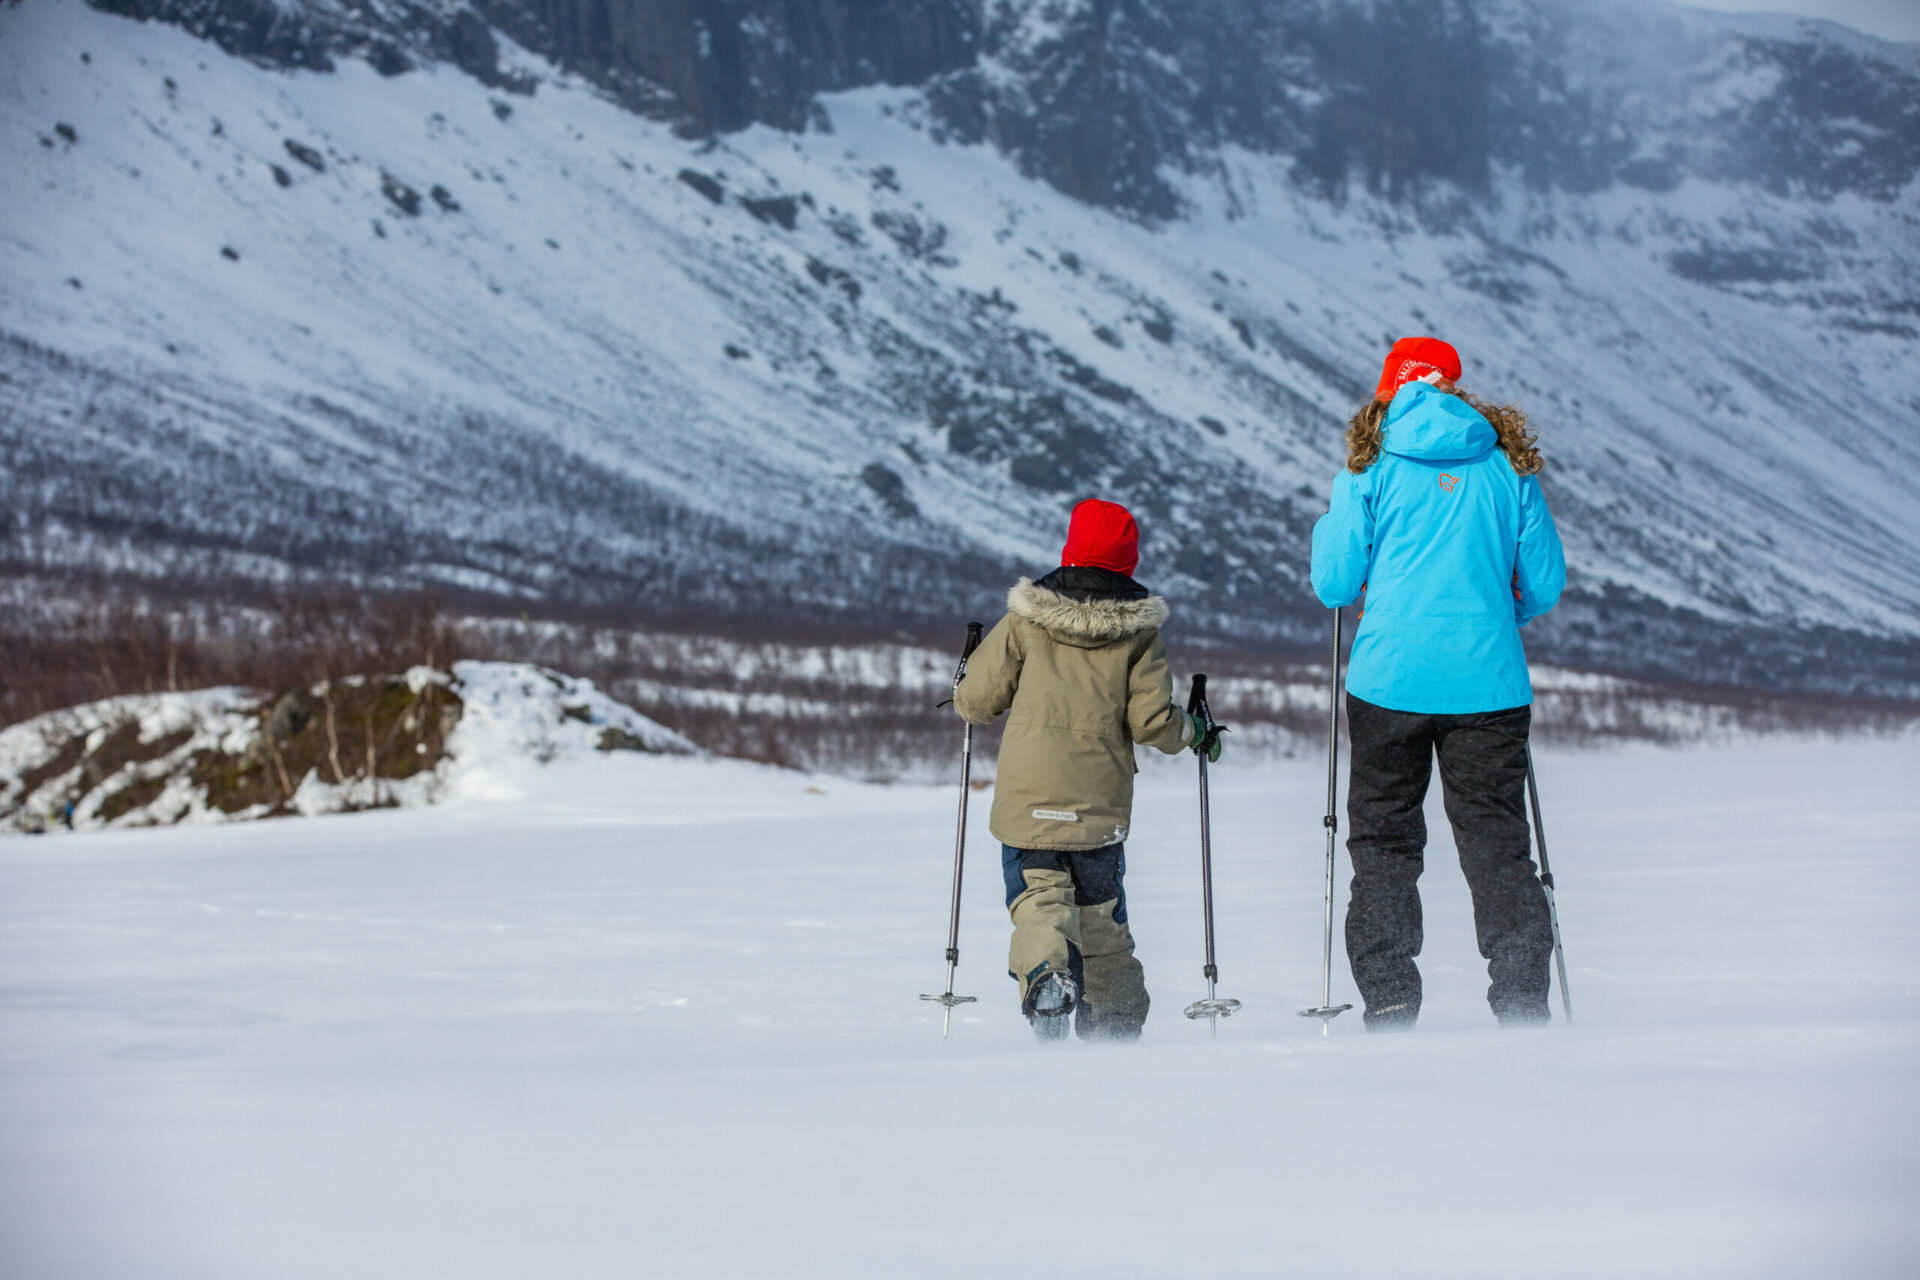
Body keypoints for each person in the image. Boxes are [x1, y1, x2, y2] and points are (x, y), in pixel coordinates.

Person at [1311, 336, 1567, 1028]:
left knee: (1386, 845)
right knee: (1497, 845)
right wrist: (1494, 613)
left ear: (1391, 389)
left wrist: (1331, 524)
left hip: (1388, 680)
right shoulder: (1509, 468)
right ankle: (1520, 1003)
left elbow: (1335, 583)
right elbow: (1545, 584)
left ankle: (1390, 999)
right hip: (1489, 685)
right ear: (1453, 387)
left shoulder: (1367, 468)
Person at [954, 499, 1218, 1041]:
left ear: (1068, 550)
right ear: (1130, 560)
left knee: (1038, 901)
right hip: (1098, 811)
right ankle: (1116, 1024)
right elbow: (1151, 724)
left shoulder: (1024, 619)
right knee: (1101, 921)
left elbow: (975, 703)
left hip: (1028, 804)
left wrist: (964, 679)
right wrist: (1195, 731)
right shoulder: (1139, 635)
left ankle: (1047, 974)